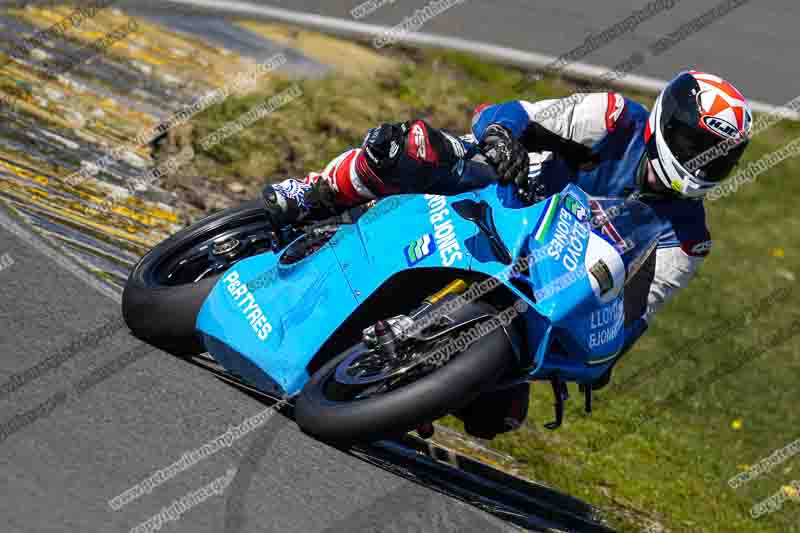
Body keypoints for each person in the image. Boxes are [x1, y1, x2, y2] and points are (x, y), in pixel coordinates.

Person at [261, 70, 752, 439]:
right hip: (501, 196)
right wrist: (501, 140)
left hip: (541, 290)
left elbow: (631, 318)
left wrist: (596, 352)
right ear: (666, 122)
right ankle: (319, 190)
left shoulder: (687, 240)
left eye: (719, 155)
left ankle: (402, 382)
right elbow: (519, 113)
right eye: (695, 143)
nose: (701, 160)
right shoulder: (613, 118)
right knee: (411, 149)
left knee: (498, 418)